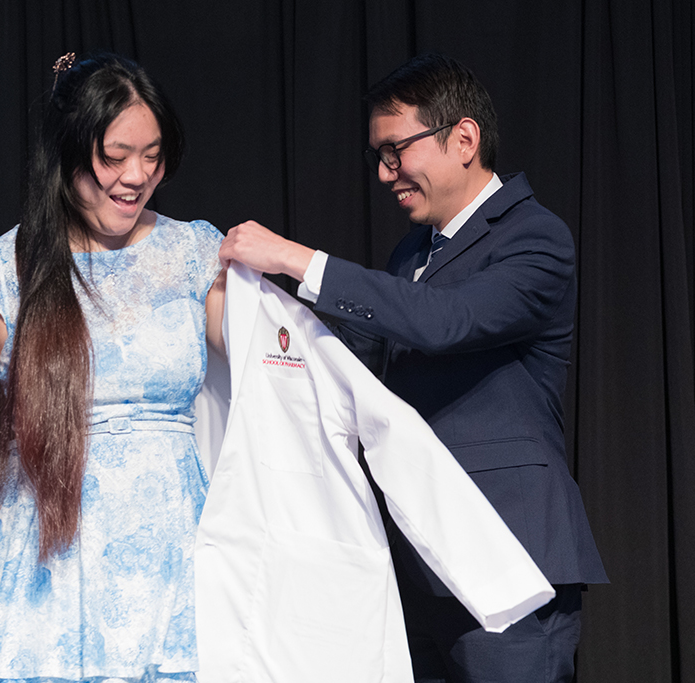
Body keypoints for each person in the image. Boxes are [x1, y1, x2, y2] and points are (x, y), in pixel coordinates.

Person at [218, 53, 607, 683]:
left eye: (396, 151)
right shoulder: (409, 253)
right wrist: (247, 307)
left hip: (504, 557)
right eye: (379, 155)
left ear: (463, 139)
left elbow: (445, 321)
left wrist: (295, 258)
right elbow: (354, 364)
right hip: (412, 560)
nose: (384, 172)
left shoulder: (536, 237)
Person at [0, 51, 225, 683]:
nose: (136, 175)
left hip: (172, 557)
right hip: (47, 563)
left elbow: (271, 368)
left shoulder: (193, 253)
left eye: (153, 155)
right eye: (114, 156)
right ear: (67, 153)